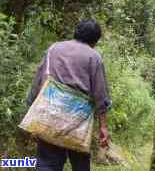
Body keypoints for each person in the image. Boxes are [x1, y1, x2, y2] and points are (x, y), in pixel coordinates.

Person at [26, 20, 111, 171]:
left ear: (76, 32)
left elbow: (39, 80)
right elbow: (100, 94)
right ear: (95, 40)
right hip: (78, 123)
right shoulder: (94, 57)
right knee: (80, 165)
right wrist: (103, 126)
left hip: (49, 117)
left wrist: (31, 108)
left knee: (47, 164)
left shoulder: (54, 48)